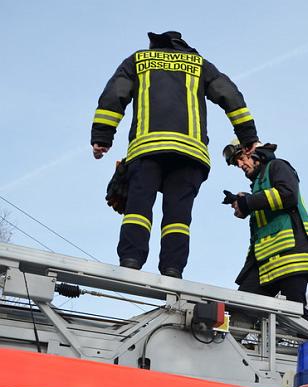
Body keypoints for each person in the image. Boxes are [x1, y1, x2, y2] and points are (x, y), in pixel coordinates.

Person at [92, 31, 258, 278]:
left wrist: (102, 138)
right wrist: (249, 138)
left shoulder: (138, 61)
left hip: (148, 149)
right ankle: (172, 268)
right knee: (178, 217)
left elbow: (114, 95)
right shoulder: (199, 64)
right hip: (190, 154)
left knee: (138, 208)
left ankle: (130, 260)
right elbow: (230, 96)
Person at [223, 141, 308, 320]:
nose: (240, 165)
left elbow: (288, 195)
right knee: (239, 311)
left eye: (241, 158)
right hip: (265, 263)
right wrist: (245, 203)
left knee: (296, 316)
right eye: (236, 163)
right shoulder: (258, 183)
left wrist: (249, 202)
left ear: (253, 152)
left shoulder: (277, 166)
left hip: (291, 257)